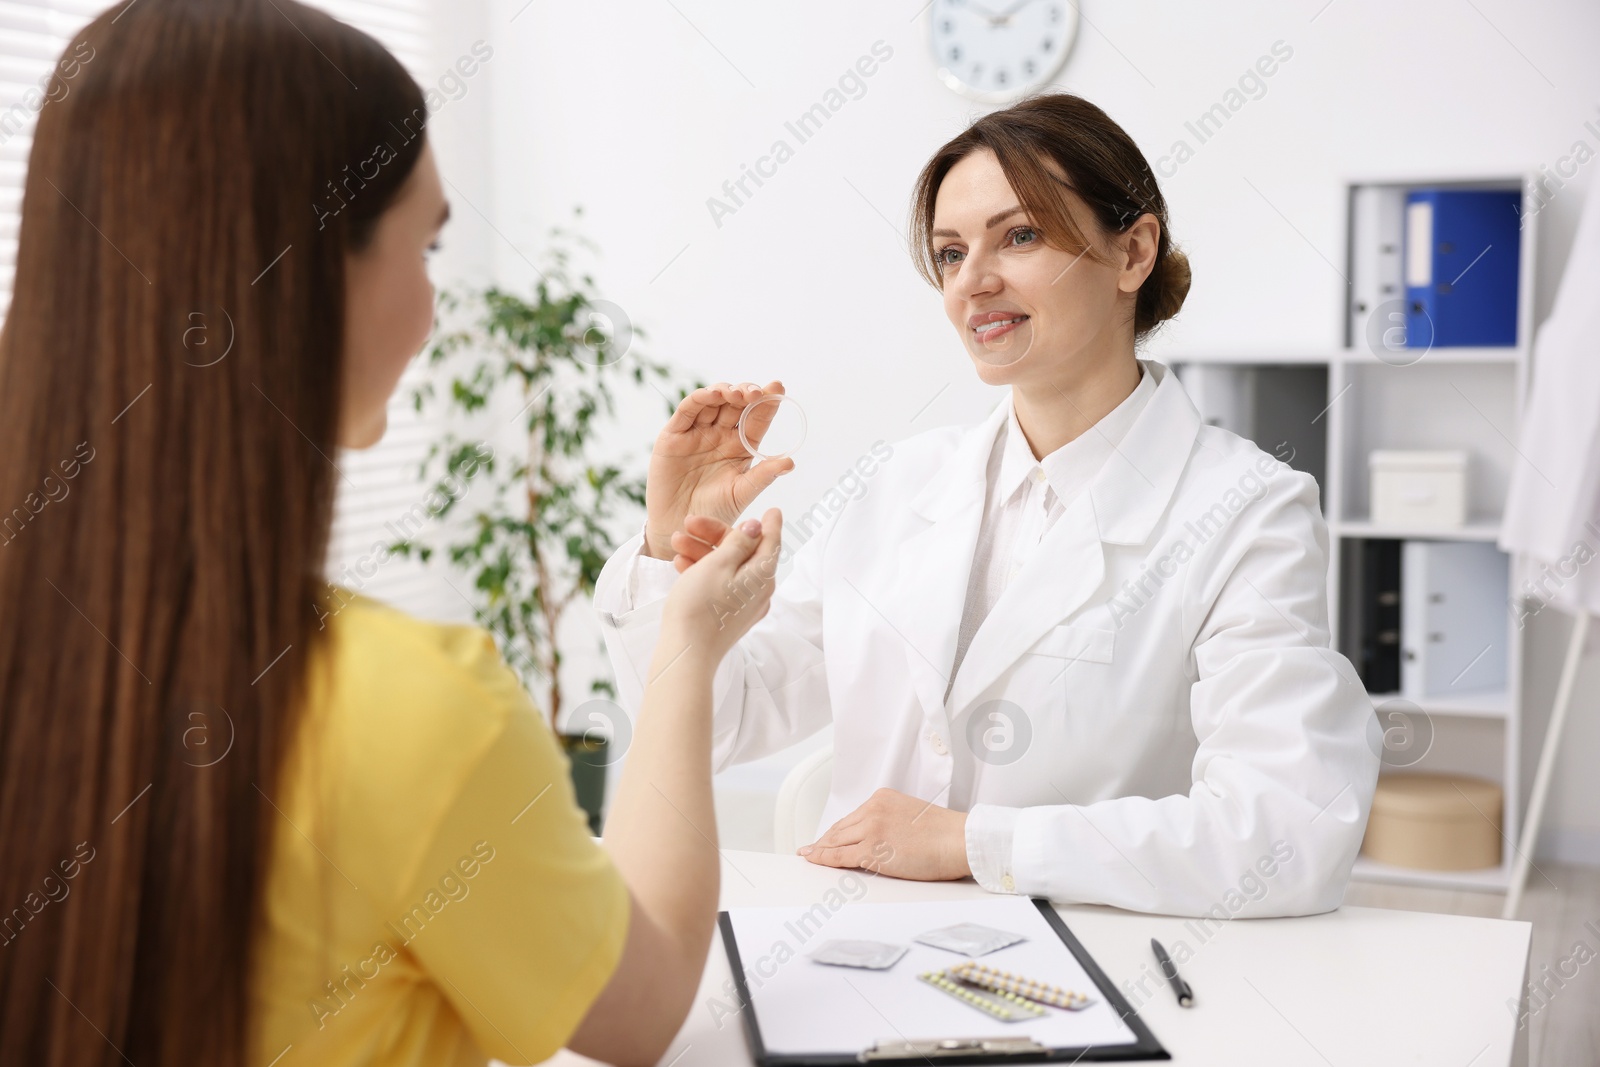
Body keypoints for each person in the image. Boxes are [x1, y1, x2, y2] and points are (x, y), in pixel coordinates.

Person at [0, 2, 780, 1064]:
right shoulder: (409, 709)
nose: (432, 308)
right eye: (427, 244)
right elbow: (638, 1009)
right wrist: (688, 645)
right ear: (314, 276)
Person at [594, 93, 1380, 919]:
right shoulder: (897, 486)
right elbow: (719, 725)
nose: (973, 282)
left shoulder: (1247, 512)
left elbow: (1287, 833)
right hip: (851, 942)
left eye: (1020, 235)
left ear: (1132, 253)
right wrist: (669, 550)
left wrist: (974, 842)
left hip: (1089, 974)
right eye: (948, 252)